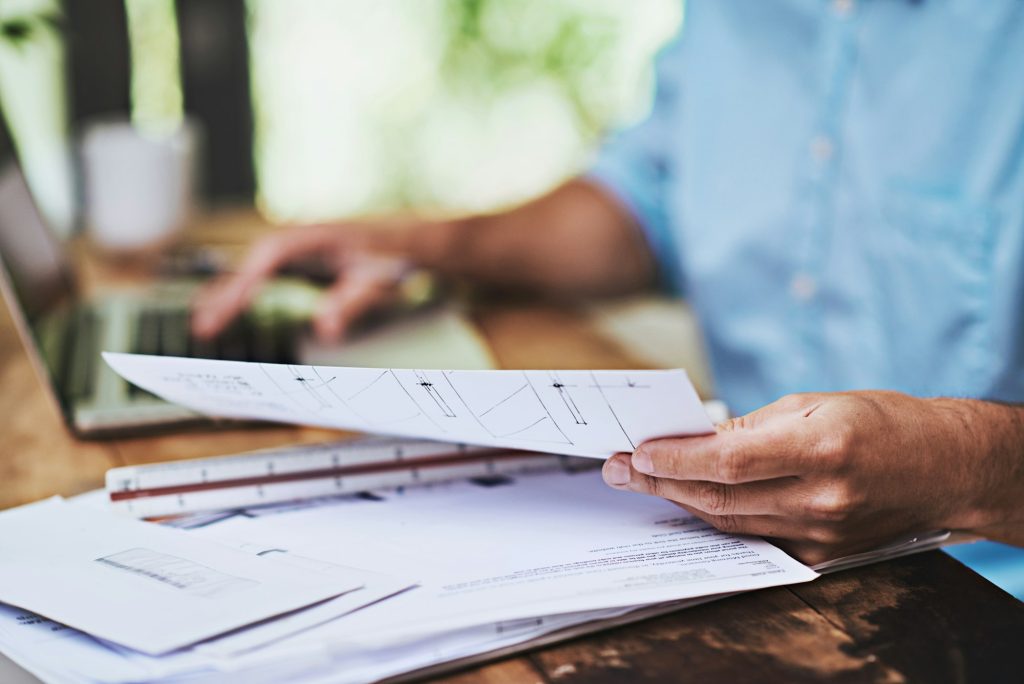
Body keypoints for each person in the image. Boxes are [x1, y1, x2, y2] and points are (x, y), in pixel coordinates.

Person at [192, 1, 1024, 568]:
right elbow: (640, 207)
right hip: (736, 555)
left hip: (983, 590)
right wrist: (425, 243)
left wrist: (966, 468)